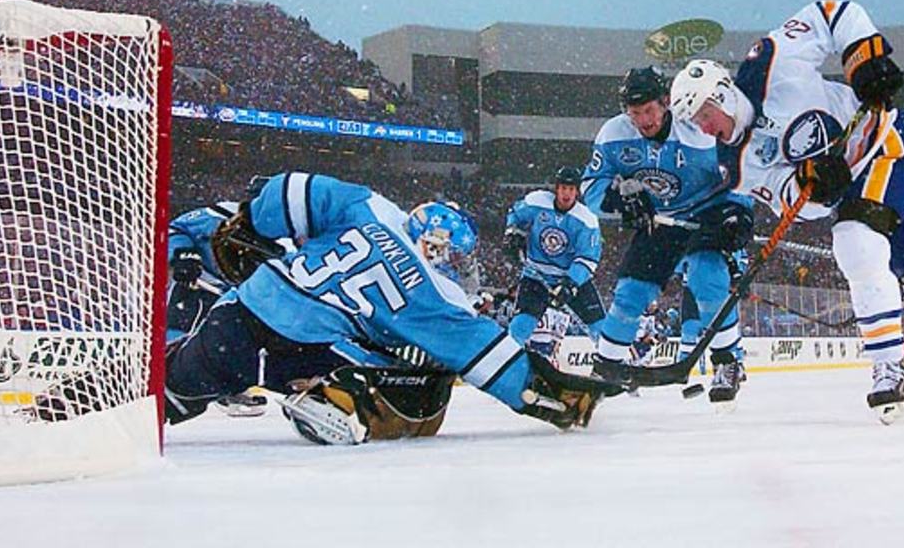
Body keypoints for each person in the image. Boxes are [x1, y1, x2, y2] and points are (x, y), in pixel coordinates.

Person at [669, 0, 904, 422]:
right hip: (857, 186)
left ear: (721, 94)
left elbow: (834, 13)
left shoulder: (768, 63)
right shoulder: (735, 167)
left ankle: (888, 368)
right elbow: (797, 206)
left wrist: (864, 60)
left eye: (704, 114)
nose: (703, 127)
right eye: (694, 122)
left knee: (855, 240)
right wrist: (812, 185)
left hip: (888, 144)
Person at [158, 171, 619, 444]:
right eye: (456, 256)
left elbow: (292, 189)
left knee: (169, 392)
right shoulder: (433, 296)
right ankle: (337, 401)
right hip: (302, 350)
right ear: (439, 246)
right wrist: (547, 396)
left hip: (238, 316)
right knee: (412, 380)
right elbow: (487, 358)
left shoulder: (370, 206)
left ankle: (137, 400)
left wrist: (257, 219)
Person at [582, 66, 754, 408]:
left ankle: (728, 362)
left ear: (665, 102)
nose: (643, 121)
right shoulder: (614, 134)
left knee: (706, 275)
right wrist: (618, 199)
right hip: (660, 218)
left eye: (649, 110)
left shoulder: (698, 129)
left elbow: (743, 173)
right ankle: (605, 368)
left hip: (710, 209)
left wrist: (738, 212)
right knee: (630, 292)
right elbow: (591, 187)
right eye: (634, 113)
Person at [164, 175, 286, 417]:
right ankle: (159, 382)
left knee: (234, 341)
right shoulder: (221, 214)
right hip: (200, 285)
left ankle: (227, 386)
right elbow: (176, 229)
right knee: (184, 331)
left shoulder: (287, 234)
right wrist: (184, 254)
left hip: (239, 295)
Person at [503, 165, 605, 345]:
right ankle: (508, 356)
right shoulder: (537, 201)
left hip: (569, 278)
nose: (567, 194)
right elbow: (515, 214)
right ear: (556, 189)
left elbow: (588, 258)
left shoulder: (587, 220)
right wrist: (512, 232)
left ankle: (614, 358)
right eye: (563, 188)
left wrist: (570, 284)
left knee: (599, 326)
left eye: (571, 189)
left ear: (577, 192)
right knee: (521, 326)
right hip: (535, 275)